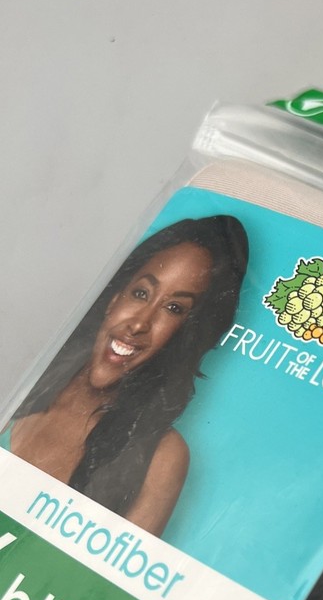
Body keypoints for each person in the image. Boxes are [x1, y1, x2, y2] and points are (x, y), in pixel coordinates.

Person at [2, 215, 249, 535]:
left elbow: (95, 573)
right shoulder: (25, 379)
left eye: (174, 308)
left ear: (186, 333)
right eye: (141, 293)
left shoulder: (162, 457)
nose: (140, 323)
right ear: (115, 298)